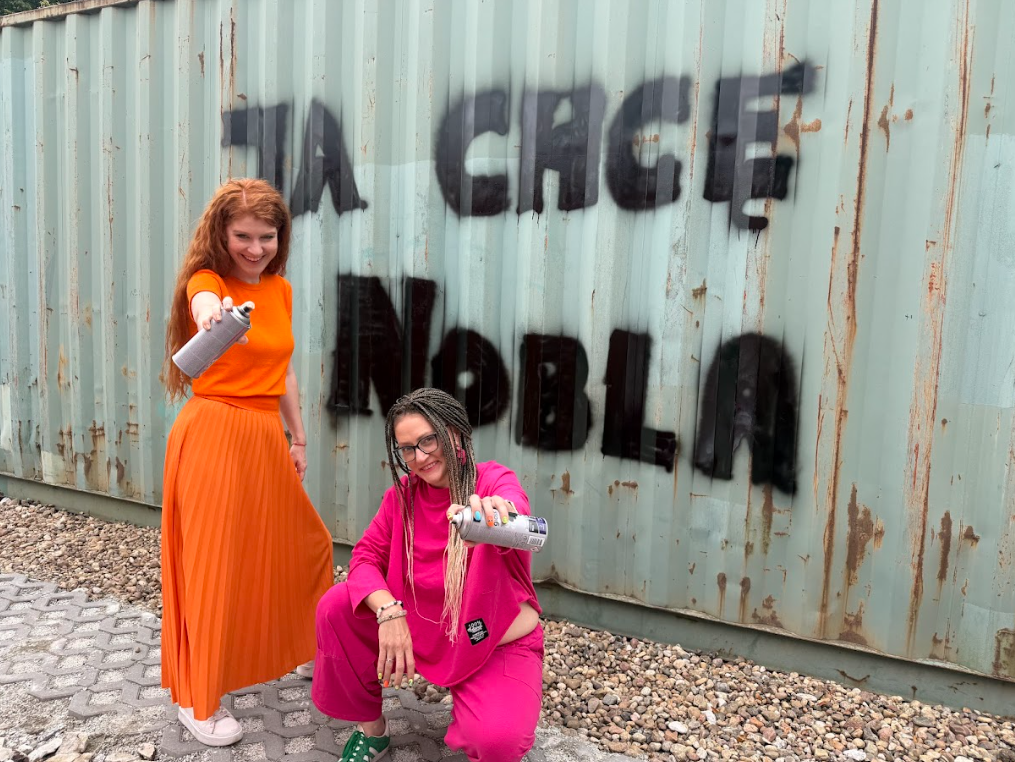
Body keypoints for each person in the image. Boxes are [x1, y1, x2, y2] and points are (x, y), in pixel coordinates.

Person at [161, 178, 333, 746]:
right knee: (214, 563)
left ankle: (303, 646)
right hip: (214, 431)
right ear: (221, 234)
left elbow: (283, 370)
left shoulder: (279, 291)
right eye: (242, 236)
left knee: (306, 543)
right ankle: (199, 701)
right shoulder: (208, 280)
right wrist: (212, 312)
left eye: (267, 236)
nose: (255, 248)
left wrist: (298, 438)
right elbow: (203, 302)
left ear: (281, 237)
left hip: (263, 434)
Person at [312, 388, 543, 762]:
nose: (420, 457)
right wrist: (389, 612)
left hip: (487, 639)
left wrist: (494, 517)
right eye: (407, 448)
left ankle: (481, 705)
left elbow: (511, 505)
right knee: (337, 606)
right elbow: (366, 557)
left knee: (497, 741)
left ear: (455, 431)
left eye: (428, 440)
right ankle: (372, 732)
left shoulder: (492, 482)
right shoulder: (402, 496)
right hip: (425, 630)